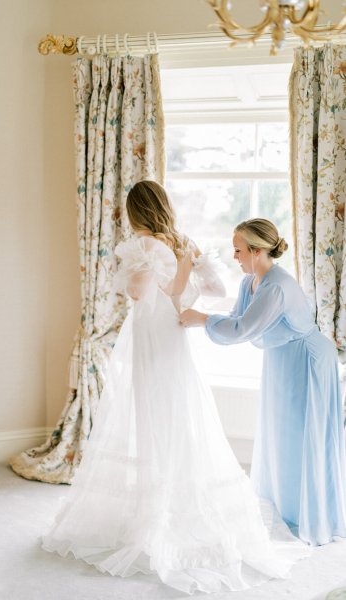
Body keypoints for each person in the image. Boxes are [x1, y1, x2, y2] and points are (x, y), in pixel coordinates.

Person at [42, 184, 308, 594]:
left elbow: (137, 292)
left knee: (151, 413)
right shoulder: (183, 241)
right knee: (177, 412)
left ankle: (158, 512)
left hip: (153, 335)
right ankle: (168, 502)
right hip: (173, 332)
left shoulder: (146, 244)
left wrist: (173, 268)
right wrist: (188, 264)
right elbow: (214, 290)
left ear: (136, 213)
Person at [180, 218, 346, 546]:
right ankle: (286, 509)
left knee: (305, 436)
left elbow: (243, 331)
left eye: (239, 250)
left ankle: (313, 516)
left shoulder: (277, 287)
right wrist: (205, 318)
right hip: (281, 359)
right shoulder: (250, 282)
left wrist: (200, 320)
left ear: (257, 251)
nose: (234, 256)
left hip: (308, 360)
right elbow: (239, 320)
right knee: (280, 435)